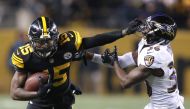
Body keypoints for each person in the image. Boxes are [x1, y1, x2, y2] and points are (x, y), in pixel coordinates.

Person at [10, 16, 141, 109]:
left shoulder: (67, 43)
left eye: (48, 42)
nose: (45, 47)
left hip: (63, 96)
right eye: (40, 43)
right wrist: (37, 94)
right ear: (31, 41)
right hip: (40, 101)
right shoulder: (25, 56)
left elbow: (96, 40)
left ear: (57, 39)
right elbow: (14, 93)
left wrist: (123, 32)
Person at [87, 14, 185, 109]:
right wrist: (88, 56)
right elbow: (123, 61)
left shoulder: (157, 55)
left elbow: (125, 82)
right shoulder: (153, 45)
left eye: (149, 27)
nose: (144, 28)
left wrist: (115, 62)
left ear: (158, 32)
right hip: (161, 104)